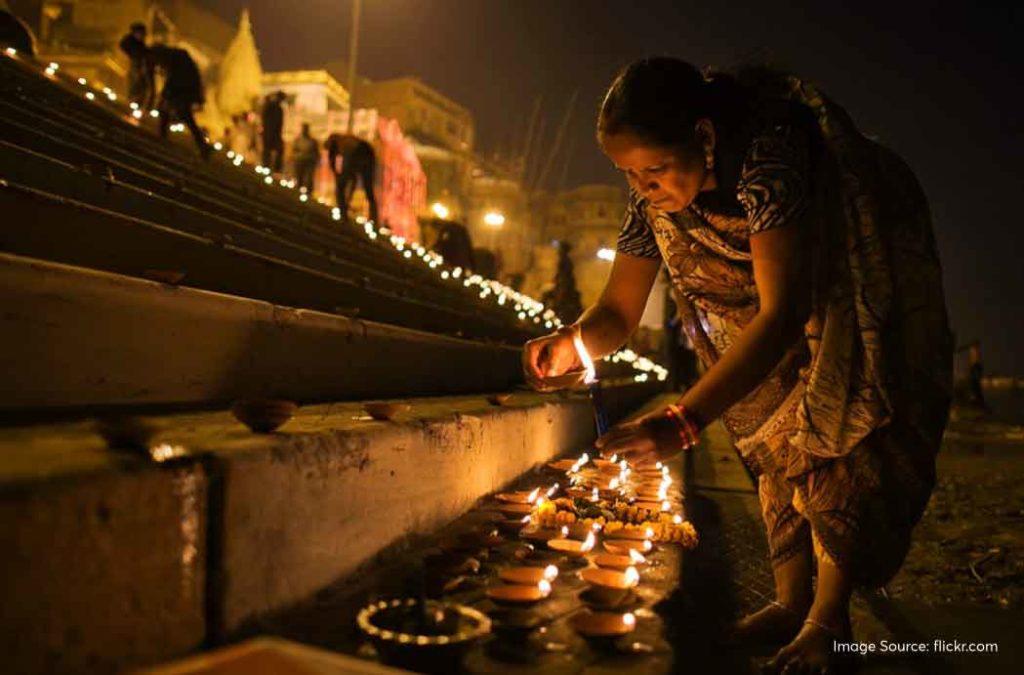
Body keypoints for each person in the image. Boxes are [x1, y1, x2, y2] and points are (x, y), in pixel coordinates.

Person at [522, 58, 953, 674]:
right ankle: (788, 601)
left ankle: (829, 621)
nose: (644, 187)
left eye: (655, 169)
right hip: (768, 313)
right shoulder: (653, 200)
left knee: (835, 425)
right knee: (767, 422)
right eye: (629, 175)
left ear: (702, 137)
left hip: (838, 292)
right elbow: (617, 310)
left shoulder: (768, 161)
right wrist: (570, 340)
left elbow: (782, 314)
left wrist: (682, 422)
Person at [148, 44, 209, 158]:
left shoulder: (176, 61)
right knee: (180, 115)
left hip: (183, 90)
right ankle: (201, 144)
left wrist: (166, 93)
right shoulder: (178, 58)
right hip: (183, 90)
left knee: (182, 114)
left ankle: (201, 144)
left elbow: (175, 78)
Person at [325, 132, 378, 224]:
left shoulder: (337, 144)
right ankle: (373, 218)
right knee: (368, 189)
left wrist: (338, 177)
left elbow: (333, 162)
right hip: (367, 154)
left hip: (359, 155)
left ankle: (344, 215)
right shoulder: (345, 141)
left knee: (340, 188)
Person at [118, 21, 152, 109]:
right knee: (135, 85)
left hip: (140, 69)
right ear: (135, 33)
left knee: (141, 87)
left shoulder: (140, 45)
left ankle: (137, 105)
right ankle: (132, 104)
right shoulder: (132, 46)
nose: (143, 36)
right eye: (141, 33)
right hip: (136, 68)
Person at [261, 90, 286, 172]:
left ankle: (275, 168)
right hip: (269, 133)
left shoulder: (278, 108)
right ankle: (267, 166)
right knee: (267, 150)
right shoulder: (271, 106)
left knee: (277, 150)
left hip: (274, 133)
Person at [291, 122, 319, 193]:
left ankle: (308, 193)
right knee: (299, 178)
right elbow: (294, 151)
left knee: (308, 179)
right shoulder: (297, 140)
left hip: (308, 162)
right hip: (299, 161)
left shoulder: (312, 141)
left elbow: (316, 153)